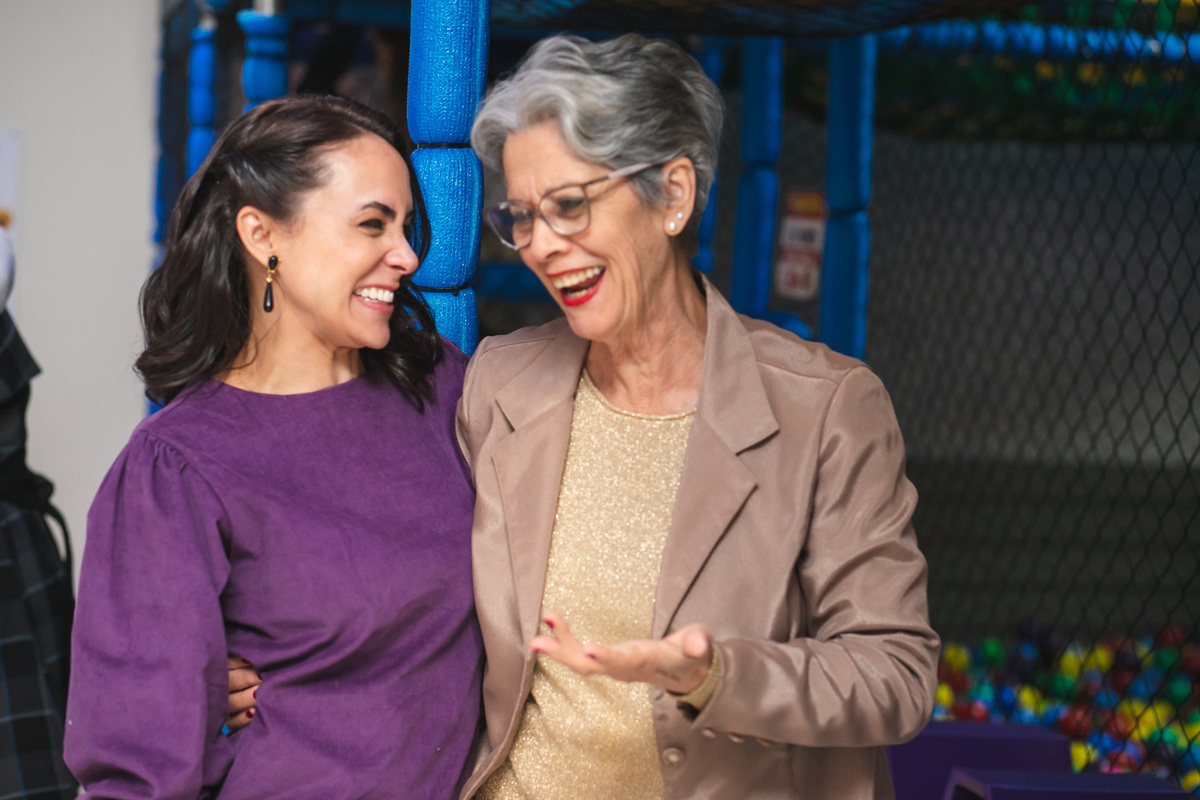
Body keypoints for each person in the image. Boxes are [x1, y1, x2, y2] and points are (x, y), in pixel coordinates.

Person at [455, 34, 940, 799]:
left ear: (673, 195)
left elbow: (895, 675)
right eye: (521, 216)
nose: (540, 247)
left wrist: (715, 675)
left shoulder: (825, 409)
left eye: (570, 206)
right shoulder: (499, 384)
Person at [64, 95, 482, 799]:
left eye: (405, 226)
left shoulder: (442, 387)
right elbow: (136, 767)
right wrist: (200, 680)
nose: (407, 256)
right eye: (372, 224)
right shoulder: (176, 466)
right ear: (261, 235)